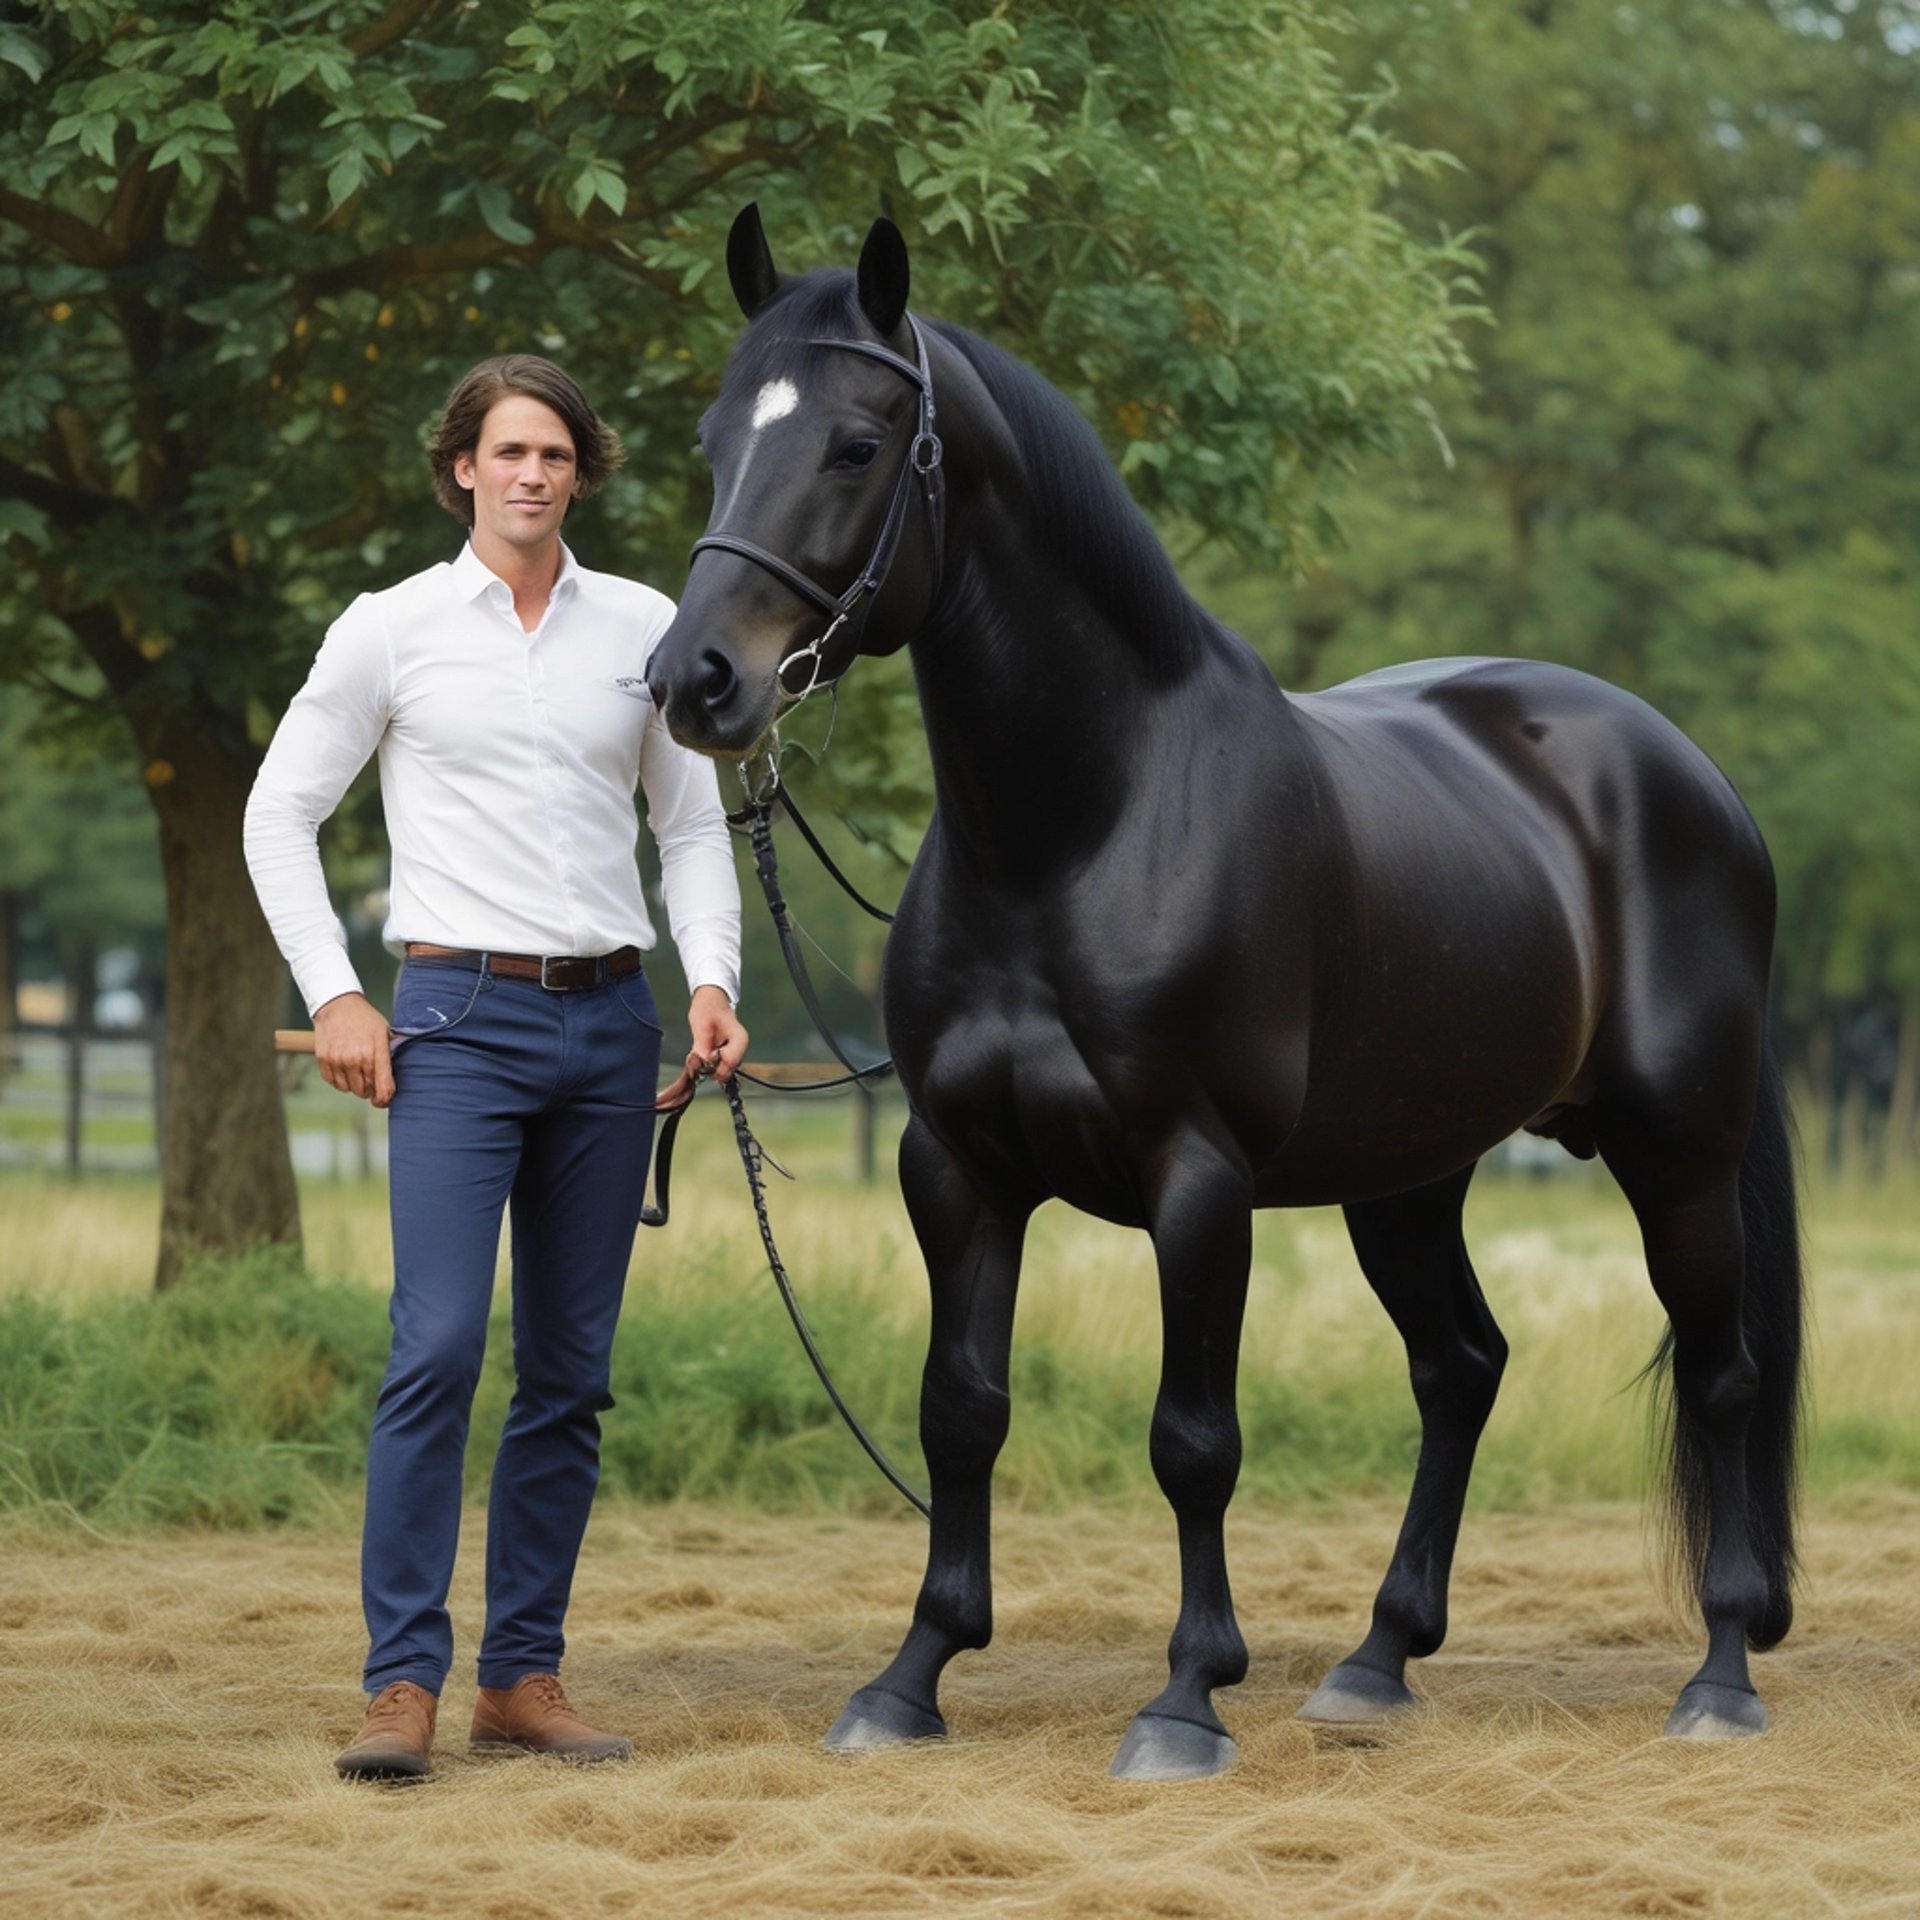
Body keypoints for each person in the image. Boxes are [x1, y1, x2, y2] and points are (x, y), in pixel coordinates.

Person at [244, 354, 747, 1780]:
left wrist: (710, 977)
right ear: (463, 466)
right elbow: (278, 816)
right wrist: (338, 998)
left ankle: (523, 1676)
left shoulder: (648, 627)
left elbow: (692, 829)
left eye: (556, 455)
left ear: (579, 473)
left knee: (571, 1374)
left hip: (610, 1029)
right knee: (440, 1349)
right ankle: (401, 1680)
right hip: (455, 1024)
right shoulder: (389, 631)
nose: (532, 474)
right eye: (507, 451)